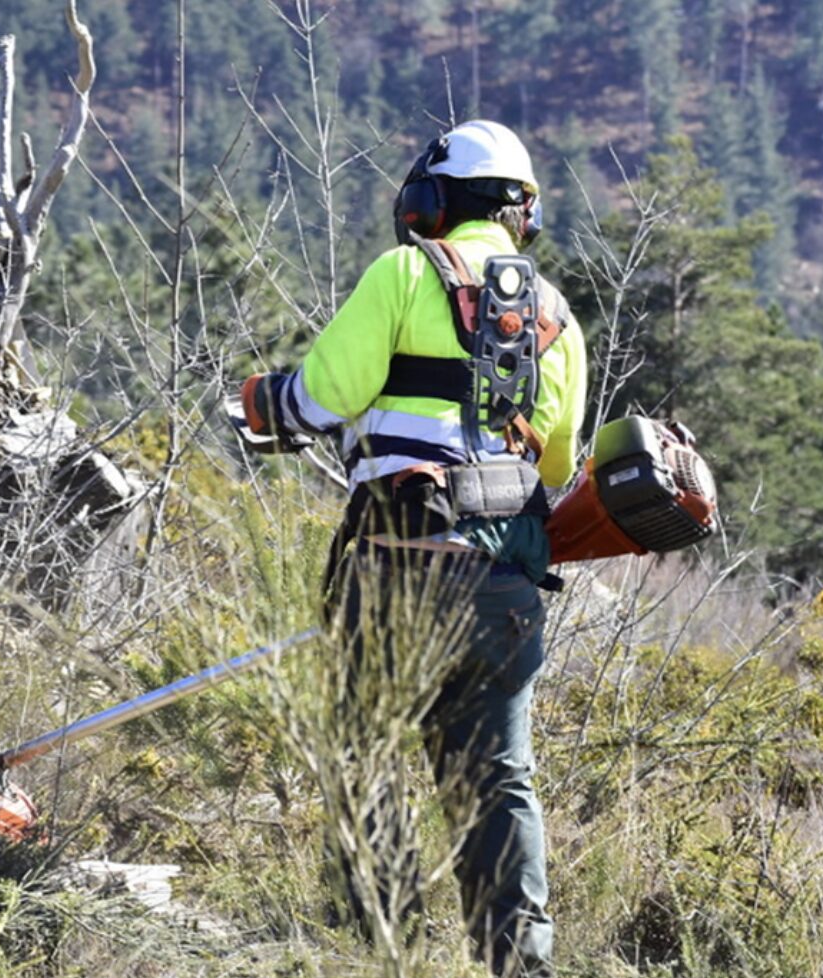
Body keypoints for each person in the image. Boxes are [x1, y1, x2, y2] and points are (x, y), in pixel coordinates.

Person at [239, 120, 587, 977]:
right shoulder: (557, 315)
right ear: (521, 214)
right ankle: (521, 965)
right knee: (501, 782)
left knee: (365, 762)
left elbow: (322, 398)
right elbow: (559, 459)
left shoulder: (404, 272)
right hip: (504, 583)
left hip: (398, 570)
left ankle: (380, 954)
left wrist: (259, 401)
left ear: (436, 202)